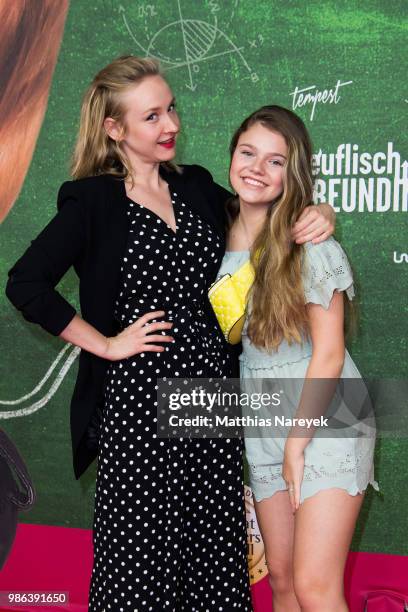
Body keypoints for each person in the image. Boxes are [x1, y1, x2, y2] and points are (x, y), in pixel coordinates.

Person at [5, 57, 334, 611]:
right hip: (136, 409)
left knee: (212, 561)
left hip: (211, 403)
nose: (170, 125)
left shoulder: (198, 187)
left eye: (171, 108)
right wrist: (107, 344)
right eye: (152, 115)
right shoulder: (91, 202)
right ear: (115, 129)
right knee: (139, 567)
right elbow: (25, 283)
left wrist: (317, 209)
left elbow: (265, 212)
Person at [216, 105, 378, 612]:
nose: (257, 169)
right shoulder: (213, 231)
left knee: (314, 587)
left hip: (325, 418)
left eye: (275, 161)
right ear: (231, 157)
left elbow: (329, 355)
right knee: (282, 583)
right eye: (248, 153)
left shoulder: (309, 241)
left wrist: (296, 442)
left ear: (294, 173)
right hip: (262, 421)